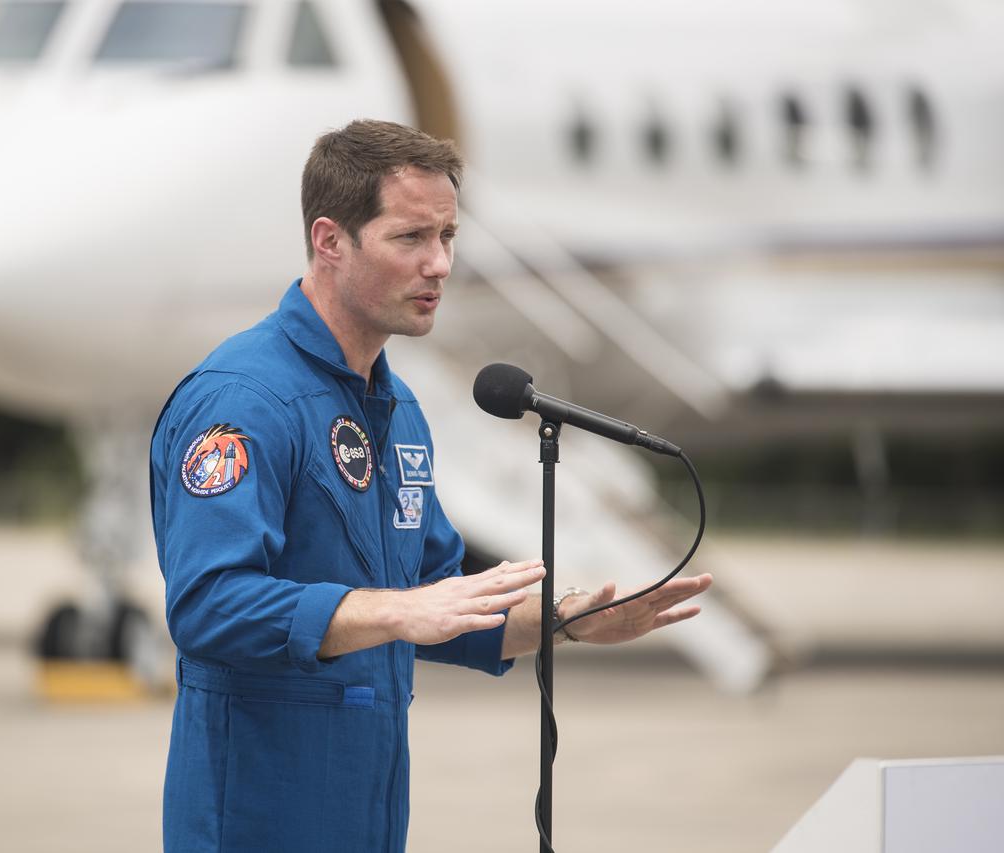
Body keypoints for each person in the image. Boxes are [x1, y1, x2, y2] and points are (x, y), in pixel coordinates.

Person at [148, 119, 712, 852]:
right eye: (410, 238)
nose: (440, 264)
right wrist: (396, 609)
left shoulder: (400, 408)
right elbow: (207, 605)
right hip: (256, 820)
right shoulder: (244, 400)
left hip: (368, 819)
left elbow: (440, 598)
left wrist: (567, 619)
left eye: (448, 237)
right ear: (330, 241)